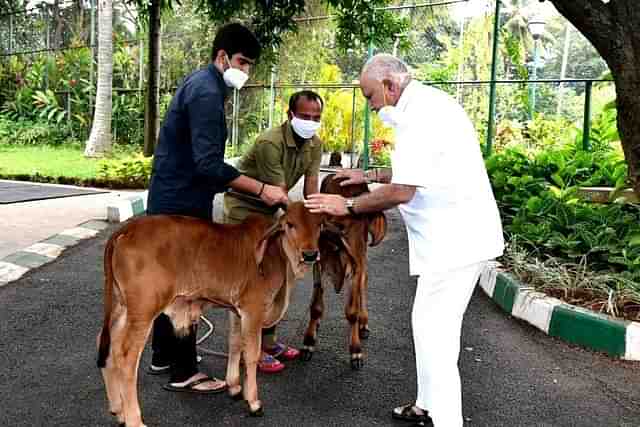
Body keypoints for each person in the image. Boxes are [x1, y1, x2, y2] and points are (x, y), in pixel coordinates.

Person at [304, 54, 504, 427]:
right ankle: (427, 404)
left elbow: (402, 191)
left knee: (436, 336)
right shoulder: (429, 106)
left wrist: (346, 204)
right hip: (455, 240)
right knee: (427, 326)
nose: (371, 104)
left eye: (370, 96)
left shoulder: (416, 118)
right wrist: (369, 173)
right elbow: (415, 169)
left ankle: (447, 419)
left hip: (455, 243)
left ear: (391, 86)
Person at [146, 23, 288, 394]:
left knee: (168, 281)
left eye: (251, 65)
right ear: (222, 56)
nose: (246, 71)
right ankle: (183, 371)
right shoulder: (207, 92)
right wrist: (262, 190)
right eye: (242, 61)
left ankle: (163, 355)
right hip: (181, 206)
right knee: (186, 286)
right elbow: (208, 165)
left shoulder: (203, 85)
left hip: (171, 198)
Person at [223, 90, 324, 373]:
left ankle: (269, 341)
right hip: (246, 209)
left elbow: (311, 192)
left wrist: (317, 223)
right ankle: (247, 347)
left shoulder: (315, 145)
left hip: (276, 212)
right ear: (290, 115)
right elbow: (279, 195)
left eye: (316, 117)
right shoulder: (271, 142)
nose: (311, 122)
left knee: (281, 277)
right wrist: (301, 229)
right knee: (252, 282)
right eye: (305, 116)